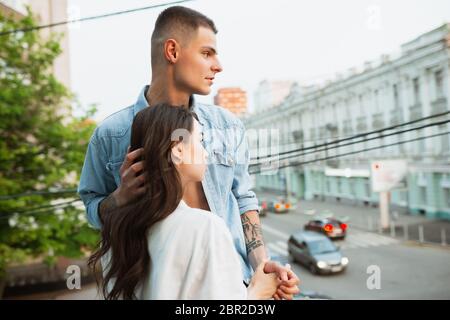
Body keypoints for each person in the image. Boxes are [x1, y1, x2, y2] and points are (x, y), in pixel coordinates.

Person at [78, 6, 299, 299]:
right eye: (207, 53)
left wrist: (261, 267)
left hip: (233, 284)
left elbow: (244, 199)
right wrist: (120, 198)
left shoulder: (227, 126)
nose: (218, 65)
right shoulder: (111, 134)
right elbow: (93, 208)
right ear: (172, 51)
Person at [89, 104, 281, 299]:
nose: (206, 153)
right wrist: (259, 291)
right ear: (178, 149)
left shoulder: (119, 231)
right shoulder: (206, 226)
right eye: (200, 141)